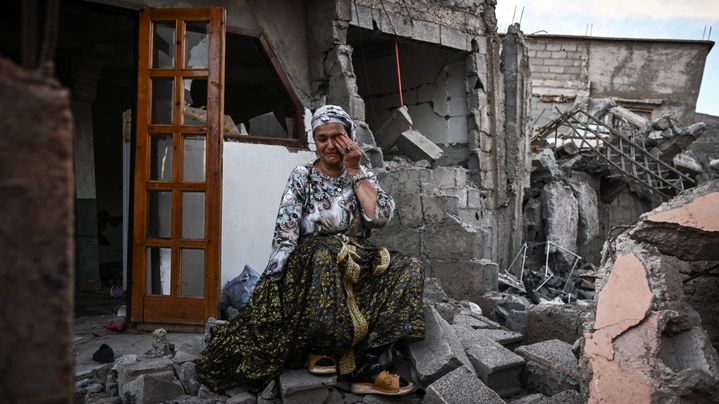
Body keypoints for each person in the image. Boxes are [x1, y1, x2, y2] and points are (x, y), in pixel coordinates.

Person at [197, 105, 425, 396]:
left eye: (337, 137)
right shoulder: (302, 176)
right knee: (326, 251)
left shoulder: (363, 173)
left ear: (350, 138)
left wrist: (355, 171)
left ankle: (368, 362)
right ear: (314, 142)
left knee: (408, 267)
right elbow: (286, 231)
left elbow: (379, 217)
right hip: (313, 263)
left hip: (357, 256)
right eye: (321, 138)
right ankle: (322, 348)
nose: (330, 145)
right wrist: (274, 279)